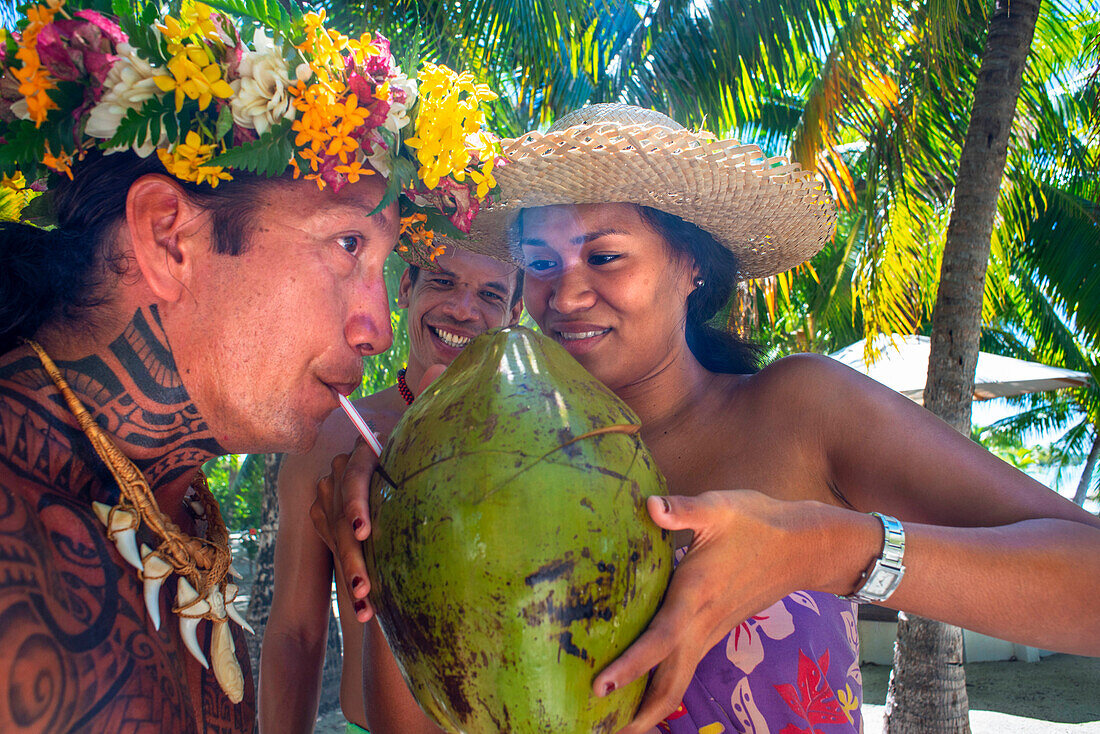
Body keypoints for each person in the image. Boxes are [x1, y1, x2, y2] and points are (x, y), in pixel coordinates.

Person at [313, 104, 1100, 734]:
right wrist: (390, 528)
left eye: (606, 255)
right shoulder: (469, 460)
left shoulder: (800, 410)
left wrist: (823, 548)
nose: (567, 293)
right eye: (542, 264)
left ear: (692, 264)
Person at [0, 1, 497, 729]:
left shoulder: (177, 505)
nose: (377, 329)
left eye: (384, 268)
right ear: (170, 237)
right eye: (348, 246)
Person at [259, 244, 523, 734]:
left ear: (515, 314)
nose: (463, 310)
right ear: (405, 288)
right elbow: (296, 632)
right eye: (442, 281)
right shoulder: (332, 437)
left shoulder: (538, 444)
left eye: (490, 293)